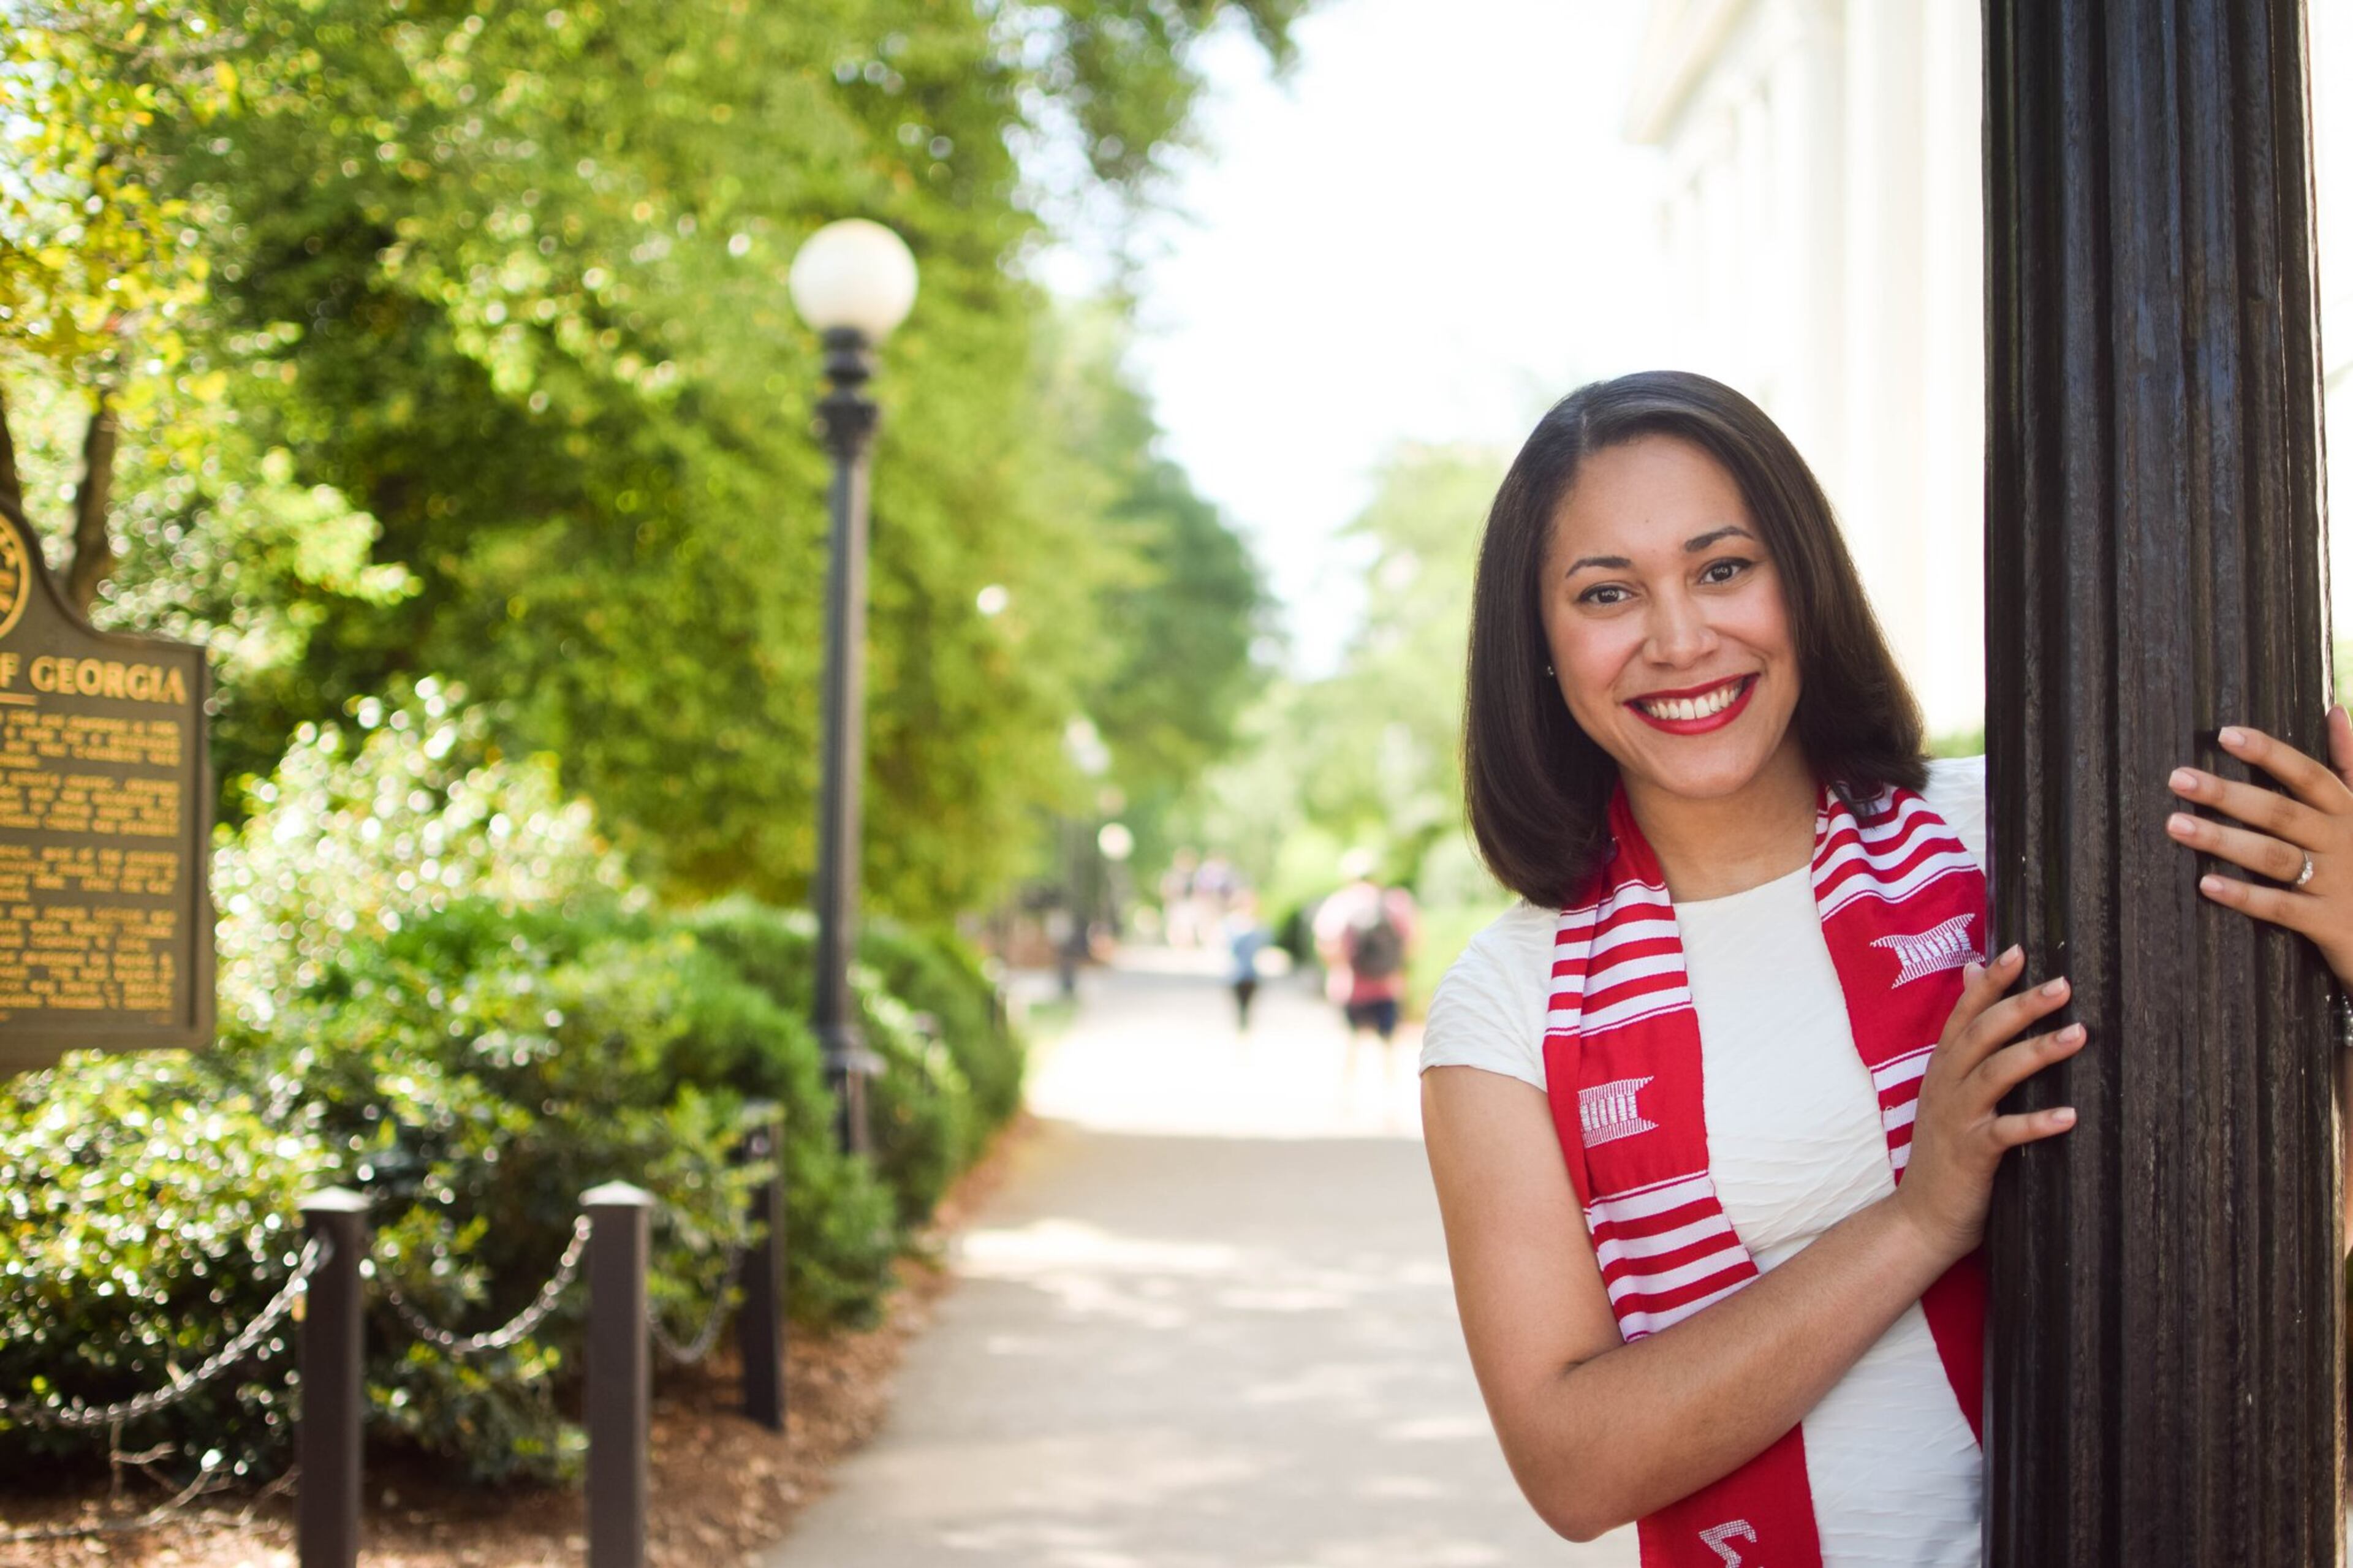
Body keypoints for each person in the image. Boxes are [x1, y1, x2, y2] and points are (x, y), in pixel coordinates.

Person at [1416, 369, 2353, 1566]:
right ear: (1540, 643)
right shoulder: (1506, 1006)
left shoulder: (2024, 828)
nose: (1680, 637)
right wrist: (1919, 1217)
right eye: (1609, 592)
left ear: (1801, 582)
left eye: (1723, 568)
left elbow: (2282, 1217)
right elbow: (1572, 1463)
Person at [1224, 890, 1272, 1031]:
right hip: (1236, 972)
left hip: (1252, 972)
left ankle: (1245, 1029)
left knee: (1249, 1006)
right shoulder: (1231, 923)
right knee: (1238, 1006)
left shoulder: (1258, 923)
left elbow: (1266, 942)